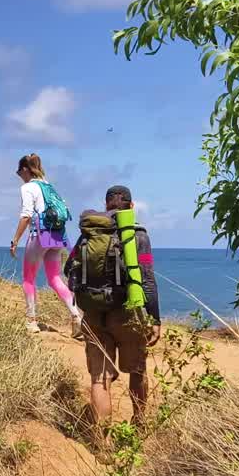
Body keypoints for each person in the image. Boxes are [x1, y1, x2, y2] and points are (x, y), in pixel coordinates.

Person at [72, 184, 161, 430]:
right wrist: (155, 319)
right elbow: (147, 277)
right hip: (127, 314)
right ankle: (140, 425)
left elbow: (71, 269)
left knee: (99, 379)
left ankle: (103, 442)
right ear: (131, 207)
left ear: (106, 205)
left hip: (94, 313)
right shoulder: (138, 235)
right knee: (138, 371)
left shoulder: (89, 234)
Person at [8, 153, 83, 337]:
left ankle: (31, 321)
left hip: (39, 236)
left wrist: (15, 240)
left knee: (28, 278)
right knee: (54, 278)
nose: (20, 177)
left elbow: (26, 215)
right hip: (58, 237)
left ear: (25, 170)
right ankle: (76, 317)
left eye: (20, 173)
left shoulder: (28, 187)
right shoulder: (48, 186)